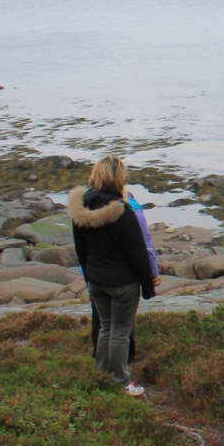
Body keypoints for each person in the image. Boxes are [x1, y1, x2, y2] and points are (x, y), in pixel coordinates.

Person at [69, 155, 156, 397]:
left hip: (96, 281)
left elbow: (81, 250)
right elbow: (138, 254)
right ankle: (120, 382)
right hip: (123, 284)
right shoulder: (124, 213)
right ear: (120, 179)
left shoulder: (81, 210)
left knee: (106, 328)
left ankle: (101, 375)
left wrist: (89, 277)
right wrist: (148, 287)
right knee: (120, 331)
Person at [89, 190, 160, 362]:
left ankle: (100, 367)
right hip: (123, 278)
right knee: (121, 327)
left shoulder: (86, 205)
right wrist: (151, 275)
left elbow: (82, 244)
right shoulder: (131, 209)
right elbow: (143, 245)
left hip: (95, 275)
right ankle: (121, 371)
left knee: (103, 324)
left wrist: (87, 271)